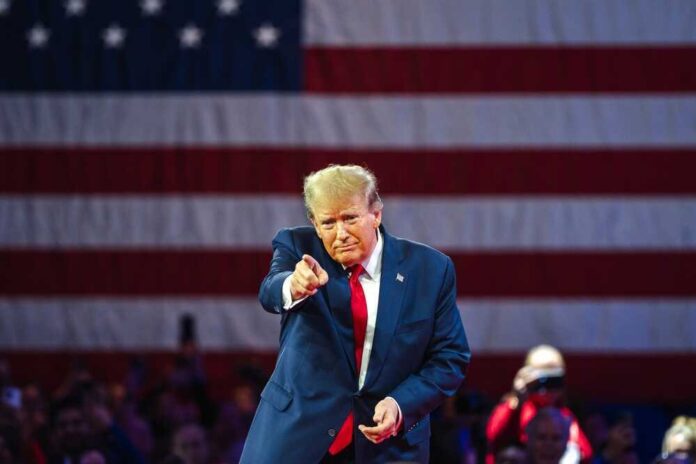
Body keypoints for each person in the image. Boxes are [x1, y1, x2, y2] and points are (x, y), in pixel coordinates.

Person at [240, 164, 470, 463]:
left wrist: (401, 403)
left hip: (387, 445)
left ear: (376, 213)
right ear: (314, 222)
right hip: (297, 438)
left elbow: (450, 358)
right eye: (328, 223)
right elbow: (270, 290)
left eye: (350, 218)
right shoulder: (298, 247)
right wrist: (293, 286)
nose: (341, 233)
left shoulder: (429, 269)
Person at [486, 345, 592, 464]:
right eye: (542, 378)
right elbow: (494, 440)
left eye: (555, 379)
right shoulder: (514, 410)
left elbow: (584, 453)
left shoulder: (564, 416)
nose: (548, 387)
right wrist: (517, 402)